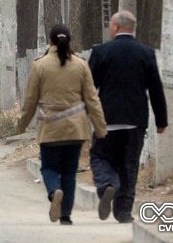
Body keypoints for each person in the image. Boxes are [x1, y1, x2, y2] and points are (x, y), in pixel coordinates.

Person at [17, 24, 107, 225]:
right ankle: (66, 215)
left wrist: (22, 125)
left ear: (50, 41)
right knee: (69, 171)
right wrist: (100, 127)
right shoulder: (81, 64)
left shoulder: (40, 65)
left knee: (48, 167)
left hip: (49, 127)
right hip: (76, 128)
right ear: (69, 40)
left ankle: (53, 192)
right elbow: (92, 99)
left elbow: (30, 100)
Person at [88, 10, 168, 224]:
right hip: (135, 121)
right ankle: (123, 213)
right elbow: (156, 89)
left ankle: (106, 185)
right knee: (129, 165)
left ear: (114, 26)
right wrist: (161, 121)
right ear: (133, 28)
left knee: (100, 157)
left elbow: (88, 87)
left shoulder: (101, 52)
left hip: (106, 119)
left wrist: (85, 113)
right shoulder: (146, 53)